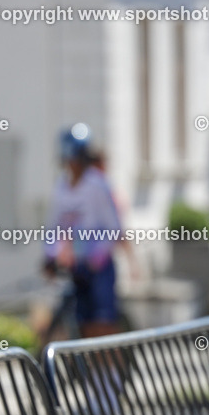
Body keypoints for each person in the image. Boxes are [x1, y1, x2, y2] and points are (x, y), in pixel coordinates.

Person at [43, 124, 126, 339]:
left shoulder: (98, 185)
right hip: (77, 268)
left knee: (103, 324)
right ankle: (90, 373)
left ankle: (111, 373)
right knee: (82, 326)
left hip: (100, 268)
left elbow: (114, 226)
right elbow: (54, 227)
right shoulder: (61, 188)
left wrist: (98, 255)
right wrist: (51, 256)